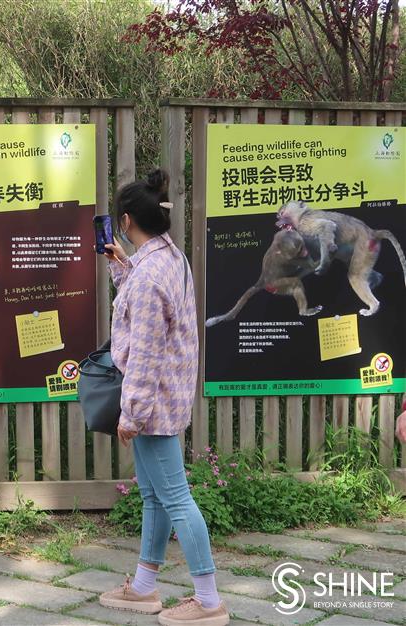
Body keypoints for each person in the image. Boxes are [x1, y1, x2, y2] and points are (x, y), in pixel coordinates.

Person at [97, 169, 229, 626]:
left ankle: (209, 601)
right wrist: (121, 265)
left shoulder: (151, 275)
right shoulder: (168, 259)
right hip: (168, 397)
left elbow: (147, 351)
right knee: (154, 496)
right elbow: (146, 305)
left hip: (151, 402)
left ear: (128, 220)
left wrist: (130, 413)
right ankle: (144, 587)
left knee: (174, 497)